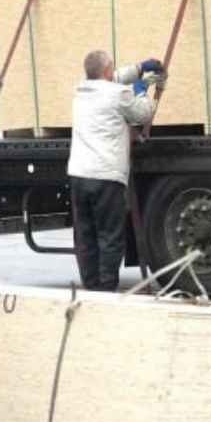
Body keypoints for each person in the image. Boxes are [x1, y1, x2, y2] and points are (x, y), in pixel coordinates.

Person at [66, 49, 163, 291]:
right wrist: (141, 90)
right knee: (109, 236)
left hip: (78, 174)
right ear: (107, 70)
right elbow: (144, 113)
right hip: (106, 177)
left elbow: (113, 78)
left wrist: (140, 68)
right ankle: (106, 288)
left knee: (86, 235)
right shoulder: (119, 94)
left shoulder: (81, 91)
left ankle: (91, 286)